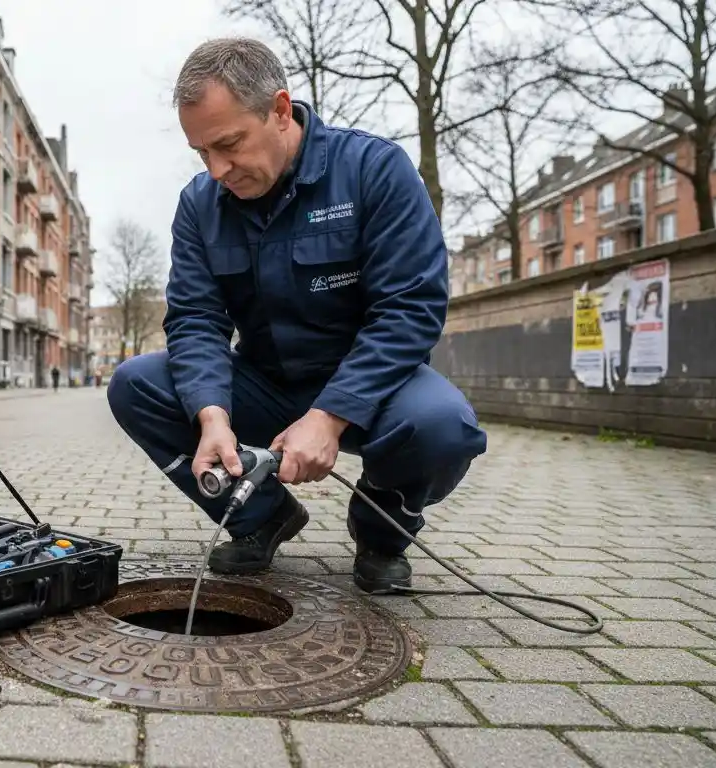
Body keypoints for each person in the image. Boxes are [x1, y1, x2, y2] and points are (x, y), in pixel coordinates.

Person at [107, 38, 488, 593]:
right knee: (136, 383)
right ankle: (260, 517)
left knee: (443, 426)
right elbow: (195, 320)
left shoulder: (375, 172)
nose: (217, 169)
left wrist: (331, 414)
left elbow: (409, 309)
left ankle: (382, 531)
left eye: (229, 144)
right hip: (265, 382)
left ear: (280, 110)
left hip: (373, 391)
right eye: (201, 153)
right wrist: (211, 416)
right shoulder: (199, 205)